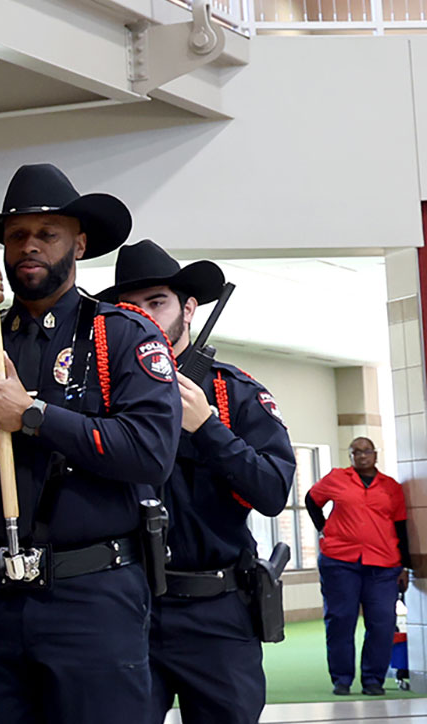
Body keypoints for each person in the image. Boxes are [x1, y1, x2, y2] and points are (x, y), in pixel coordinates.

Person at [0, 163, 182, 723]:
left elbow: (151, 450)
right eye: (16, 235)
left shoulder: (121, 334)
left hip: (92, 596)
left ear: (78, 244)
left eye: (47, 234)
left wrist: (33, 415)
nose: (29, 247)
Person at [97, 239, 296, 724]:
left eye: (156, 302)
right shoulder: (104, 396)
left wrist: (207, 427)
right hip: (127, 608)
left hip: (218, 612)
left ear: (189, 308)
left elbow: (272, 492)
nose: (143, 316)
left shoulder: (235, 393)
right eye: (129, 307)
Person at [306, 437, 411, 696]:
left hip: (383, 564)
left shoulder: (391, 487)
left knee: (382, 622)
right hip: (339, 562)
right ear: (350, 456)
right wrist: (323, 528)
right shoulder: (337, 479)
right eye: (356, 452)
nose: (362, 456)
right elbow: (311, 500)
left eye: (367, 451)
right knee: (341, 619)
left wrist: (405, 566)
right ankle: (341, 679)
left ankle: (373, 679)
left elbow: (400, 527)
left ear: (375, 454)